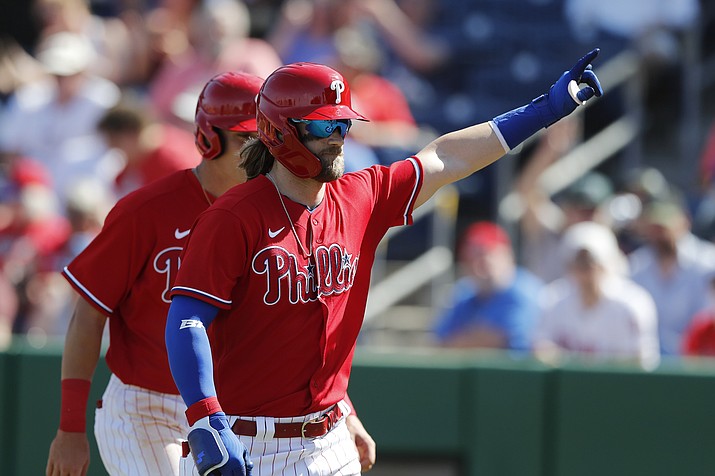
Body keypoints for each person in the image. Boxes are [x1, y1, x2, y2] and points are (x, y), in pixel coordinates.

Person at [164, 49, 604, 475]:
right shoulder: (233, 216)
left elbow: (446, 157)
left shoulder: (361, 195)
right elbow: (186, 320)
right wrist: (205, 416)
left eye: (342, 124)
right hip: (247, 442)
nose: (337, 136)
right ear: (279, 131)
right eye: (323, 128)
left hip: (328, 439)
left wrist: (544, 110)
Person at [45, 71, 265, 476]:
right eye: (247, 140)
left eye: (268, 140)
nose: (260, 152)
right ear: (207, 138)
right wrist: (70, 429)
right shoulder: (146, 210)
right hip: (144, 408)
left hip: (231, 410)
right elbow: (88, 315)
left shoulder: (272, 212)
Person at [532, 221, 660, 370]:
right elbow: (540, 349)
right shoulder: (552, 299)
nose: (585, 269)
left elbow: (642, 361)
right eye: (578, 261)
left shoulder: (633, 304)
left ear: (606, 262)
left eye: (591, 261)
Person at [431, 221, 542, 351]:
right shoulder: (464, 292)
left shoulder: (524, 289)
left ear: (507, 256)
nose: (477, 266)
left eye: (485, 257)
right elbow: (440, 342)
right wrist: (479, 338)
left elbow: (513, 343)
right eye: (470, 259)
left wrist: (466, 340)